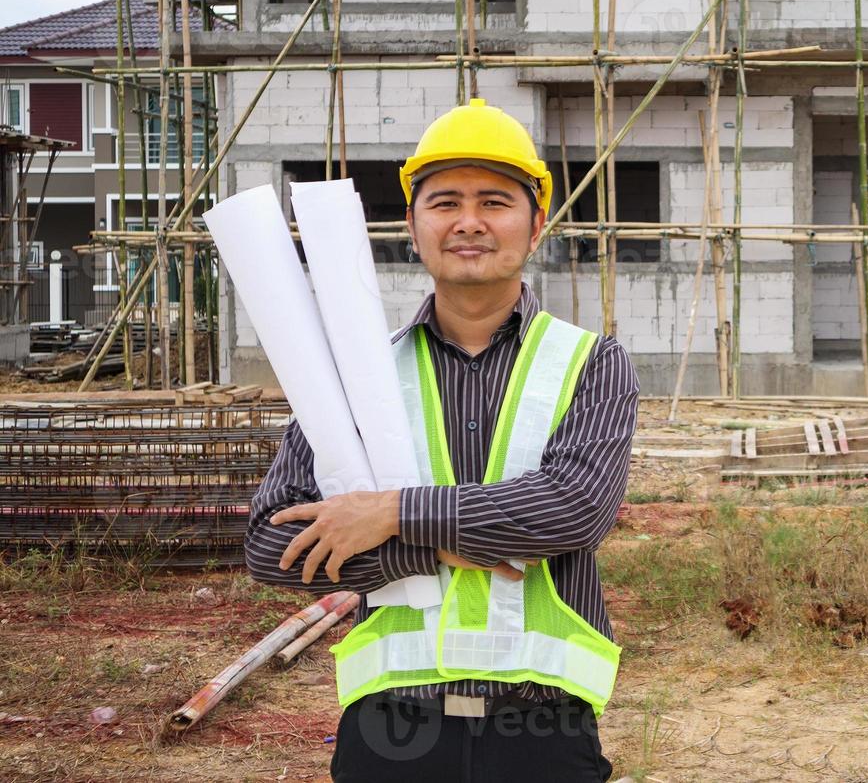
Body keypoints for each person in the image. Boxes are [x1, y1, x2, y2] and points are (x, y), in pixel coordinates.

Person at [244, 99, 639, 782]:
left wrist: (391, 514)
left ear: (536, 224)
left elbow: (574, 509)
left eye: (494, 201)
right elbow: (269, 545)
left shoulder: (590, 361)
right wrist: (429, 546)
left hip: (542, 728)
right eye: (445, 202)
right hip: (390, 729)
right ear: (413, 225)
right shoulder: (351, 378)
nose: (469, 221)